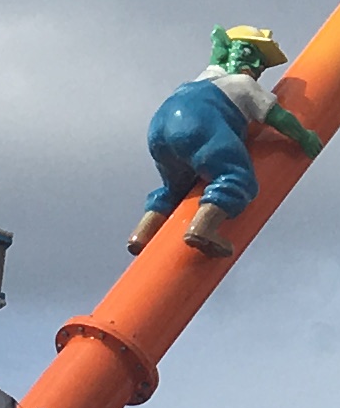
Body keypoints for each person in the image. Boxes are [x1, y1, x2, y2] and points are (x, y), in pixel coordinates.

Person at [133, 25, 322, 255]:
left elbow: (216, 57)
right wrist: (305, 137)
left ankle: (143, 233)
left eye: (261, 64)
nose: (256, 67)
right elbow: (279, 117)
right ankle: (203, 227)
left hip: (159, 129)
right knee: (236, 176)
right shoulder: (242, 84)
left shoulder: (198, 80)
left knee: (175, 188)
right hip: (197, 123)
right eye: (249, 54)